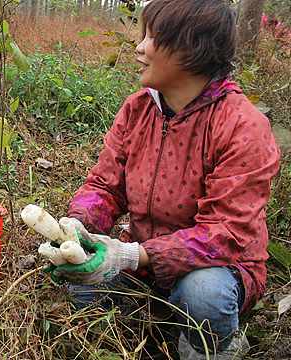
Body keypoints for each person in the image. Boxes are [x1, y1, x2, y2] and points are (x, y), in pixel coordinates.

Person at [48, 1, 280, 359]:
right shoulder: (138, 108)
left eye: (154, 37)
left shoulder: (242, 126)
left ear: (193, 48)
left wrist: (128, 255)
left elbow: (224, 234)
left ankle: (216, 343)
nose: (140, 46)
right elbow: (104, 186)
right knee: (81, 288)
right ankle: (153, 324)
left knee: (204, 294)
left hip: (217, 268)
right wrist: (78, 227)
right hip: (142, 258)